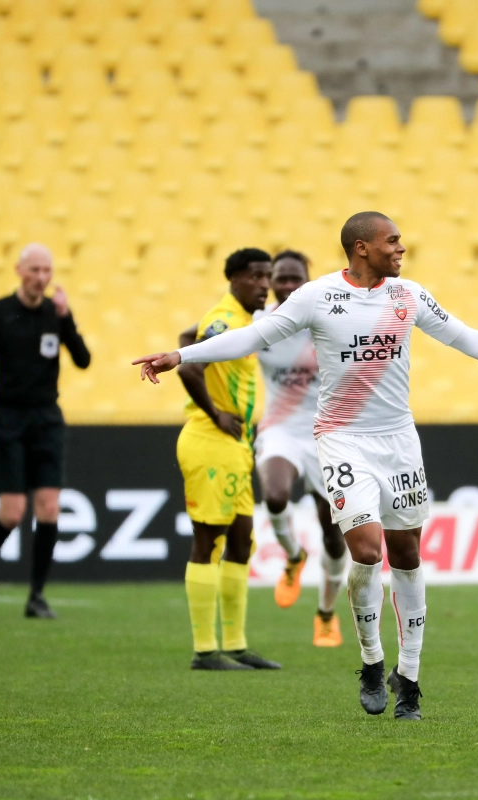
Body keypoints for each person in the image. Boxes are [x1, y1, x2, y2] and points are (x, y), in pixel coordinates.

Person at [134, 211, 478, 720]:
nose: (400, 248)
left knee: (408, 554)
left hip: (399, 441)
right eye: (391, 241)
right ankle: (373, 661)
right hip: (342, 439)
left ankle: (410, 679)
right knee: (368, 551)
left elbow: (467, 338)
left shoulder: (408, 295)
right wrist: (181, 355)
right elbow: (253, 337)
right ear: (361, 248)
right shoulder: (317, 296)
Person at [180, 250, 347, 647]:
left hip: (327, 432)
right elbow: (192, 337)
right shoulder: (260, 320)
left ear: (309, 281)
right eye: (280, 279)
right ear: (271, 283)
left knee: (334, 534)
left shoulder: (326, 316)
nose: (288, 286)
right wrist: (189, 359)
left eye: (295, 279)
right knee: (273, 496)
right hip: (280, 429)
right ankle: (293, 556)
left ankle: (325, 613)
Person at [0, 243, 90, 619]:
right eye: (34, 270)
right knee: (12, 511)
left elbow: (83, 360)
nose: (41, 277)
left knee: (49, 507)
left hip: (46, 418)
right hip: (7, 418)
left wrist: (67, 319)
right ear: (19, 270)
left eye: (47, 270)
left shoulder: (57, 314)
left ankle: (36, 596)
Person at [174, 248, 280, 671]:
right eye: (255, 276)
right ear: (234, 279)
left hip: (237, 447)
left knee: (242, 541)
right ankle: (204, 650)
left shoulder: (241, 321)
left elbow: (187, 337)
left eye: (267, 276)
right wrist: (215, 412)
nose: (264, 285)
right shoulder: (226, 319)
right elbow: (187, 366)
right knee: (208, 542)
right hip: (210, 442)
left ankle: (235, 644)